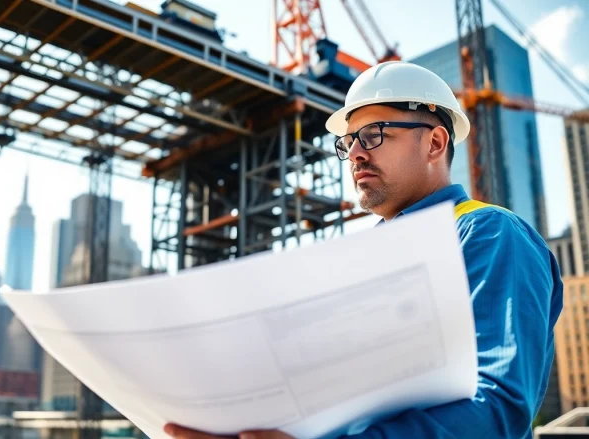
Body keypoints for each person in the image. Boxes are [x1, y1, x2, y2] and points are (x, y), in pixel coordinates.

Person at [163, 61, 564, 438]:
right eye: (349, 141)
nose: (355, 154)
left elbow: (497, 410)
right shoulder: (361, 257)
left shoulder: (489, 234)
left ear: (435, 142)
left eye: (374, 135)